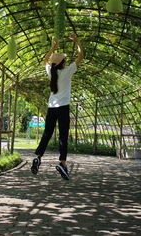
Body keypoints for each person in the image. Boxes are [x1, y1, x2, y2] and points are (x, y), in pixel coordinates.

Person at [31, 33, 84, 180]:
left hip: (51, 107)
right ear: (62, 63)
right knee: (63, 136)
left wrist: (52, 47)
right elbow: (81, 57)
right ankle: (62, 163)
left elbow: (45, 60)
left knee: (47, 133)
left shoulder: (51, 73)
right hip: (63, 107)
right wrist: (78, 42)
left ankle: (38, 157)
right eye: (65, 60)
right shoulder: (67, 72)